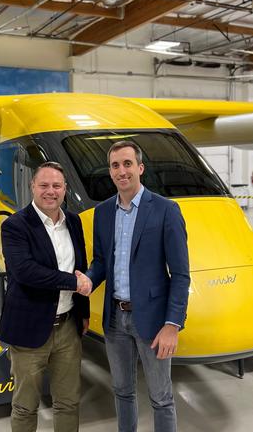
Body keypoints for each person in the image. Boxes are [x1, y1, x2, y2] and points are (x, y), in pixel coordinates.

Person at [82, 140, 190, 432]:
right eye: (115, 165)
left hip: (154, 321)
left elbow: (180, 274)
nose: (121, 171)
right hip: (115, 319)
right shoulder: (103, 213)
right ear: (110, 171)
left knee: (161, 397)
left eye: (127, 164)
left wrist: (172, 324)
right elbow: (102, 260)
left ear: (140, 168)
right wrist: (90, 279)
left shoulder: (166, 210)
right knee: (122, 391)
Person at [0, 161, 92, 432]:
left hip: (67, 328)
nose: (50, 191)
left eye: (56, 186)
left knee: (68, 401)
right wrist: (74, 284)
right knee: (26, 406)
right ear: (33, 187)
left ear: (64, 189)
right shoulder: (16, 225)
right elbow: (26, 272)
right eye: (44, 185)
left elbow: (81, 265)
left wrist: (83, 312)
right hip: (29, 329)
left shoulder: (73, 222)